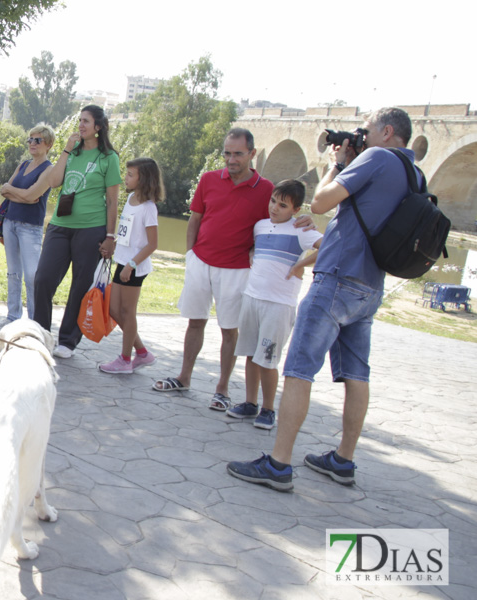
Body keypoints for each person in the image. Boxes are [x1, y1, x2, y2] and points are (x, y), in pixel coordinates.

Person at [227, 108, 416, 492]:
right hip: (370, 285)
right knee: (357, 374)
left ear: (388, 131)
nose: (361, 137)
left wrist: (335, 165)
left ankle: (279, 464)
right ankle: (343, 460)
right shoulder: (414, 171)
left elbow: (321, 203)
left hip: (336, 278)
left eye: (367, 130)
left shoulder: (377, 158)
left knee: (299, 369)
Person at [153, 128, 311, 405]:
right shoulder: (209, 179)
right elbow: (195, 219)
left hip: (238, 269)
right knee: (195, 322)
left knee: (230, 330)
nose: (231, 159)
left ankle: (222, 390)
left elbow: (279, 219)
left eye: (238, 153)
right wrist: (191, 254)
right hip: (201, 261)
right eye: (227, 153)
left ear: (252, 154)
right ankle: (184, 377)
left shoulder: (266, 191)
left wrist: (306, 221)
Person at [222, 179, 322, 430]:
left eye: (283, 205)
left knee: (267, 358)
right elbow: (256, 251)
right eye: (273, 201)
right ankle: (249, 403)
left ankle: (268, 409)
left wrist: (301, 265)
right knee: (250, 354)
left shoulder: (301, 229)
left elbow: (330, 246)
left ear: (296, 210)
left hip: (278, 304)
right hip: (252, 298)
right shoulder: (260, 226)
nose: (275, 208)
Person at [27, 105, 122, 358]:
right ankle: (41, 334)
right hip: (60, 225)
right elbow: (54, 182)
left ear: (98, 127)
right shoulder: (73, 152)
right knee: (43, 278)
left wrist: (111, 236)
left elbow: (113, 201)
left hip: (91, 228)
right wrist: (67, 150)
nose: (80, 125)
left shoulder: (109, 158)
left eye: (86, 122)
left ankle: (67, 341)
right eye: (79, 120)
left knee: (80, 285)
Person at [97, 157, 163, 374]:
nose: (126, 178)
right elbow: (127, 232)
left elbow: (152, 244)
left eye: (130, 175)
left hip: (134, 267)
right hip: (122, 261)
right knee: (115, 310)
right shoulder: (131, 199)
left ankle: (126, 360)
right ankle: (142, 353)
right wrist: (114, 246)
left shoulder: (148, 207)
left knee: (128, 312)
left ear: (143, 178)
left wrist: (132, 264)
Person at [0, 124, 54, 323]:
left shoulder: (49, 169)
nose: (32, 143)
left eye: (37, 140)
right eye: (30, 139)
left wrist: (23, 195)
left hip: (30, 227)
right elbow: (4, 189)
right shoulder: (22, 165)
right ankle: (13, 316)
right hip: (10, 222)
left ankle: (35, 321)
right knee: (13, 273)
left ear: (48, 144)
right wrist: (25, 197)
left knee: (32, 276)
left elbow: (33, 195)